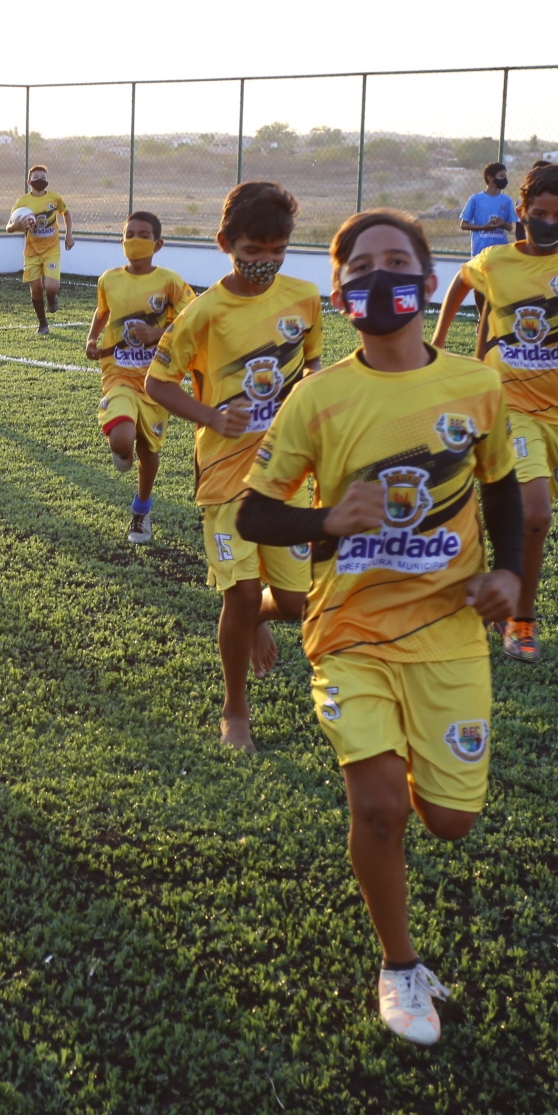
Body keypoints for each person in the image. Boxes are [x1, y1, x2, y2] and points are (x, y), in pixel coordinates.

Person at [236, 208, 524, 1047]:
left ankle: (402, 776)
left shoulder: (477, 385)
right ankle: (399, 967)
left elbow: (503, 488)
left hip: (449, 632)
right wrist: (327, 520)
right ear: (341, 292)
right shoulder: (316, 398)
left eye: (398, 262)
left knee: (450, 821)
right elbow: (258, 512)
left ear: (428, 284)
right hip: (348, 630)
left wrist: (510, 574)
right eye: (363, 266)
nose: (381, 276)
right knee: (377, 809)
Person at [431, 163, 558, 663]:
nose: (548, 221)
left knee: (533, 522)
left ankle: (507, 603)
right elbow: (460, 284)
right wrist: (435, 346)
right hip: (507, 405)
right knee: (536, 511)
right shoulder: (494, 260)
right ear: (520, 212)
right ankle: (521, 621)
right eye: (538, 213)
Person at [147, 183, 320, 750]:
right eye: (255, 249)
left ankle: (259, 621)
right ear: (226, 243)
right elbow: (157, 382)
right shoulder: (204, 313)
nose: (266, 261)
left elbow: (311, 372)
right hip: (224, 476)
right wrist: (210, 417)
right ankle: (235, 711)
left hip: (288, 473)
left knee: (294, 605)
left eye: (279, 250)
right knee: (240, 596)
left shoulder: (305, 300)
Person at [84, 211, 195, 544]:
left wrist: (156, 332)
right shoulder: (109, 279)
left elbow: (192, 321)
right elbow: (102, 312)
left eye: (143, 234)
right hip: (118, 374)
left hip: (158, 380)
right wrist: (92, 338)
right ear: (121, 241)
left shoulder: (171, 282)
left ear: (158, 244)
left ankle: (141, 511)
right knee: (121, 438)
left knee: (149, 450)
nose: (135, 239)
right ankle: (122, 450)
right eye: (129, 233)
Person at [11, 164, 72, 335]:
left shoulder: (55, 198)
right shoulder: (22, 202)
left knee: (51, 287)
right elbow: (9, 227)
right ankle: (42, 323)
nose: (40, 181)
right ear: (29, 181)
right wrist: (17, 225)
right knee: (36, 289)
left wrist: (69, 235)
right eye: (36, 178)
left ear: (47, 180)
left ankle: (52, 298)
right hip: (31, 252)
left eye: (43, 178)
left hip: (52, 250)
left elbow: (66, 214)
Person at [457, 162, 515, 257]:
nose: (504, 179)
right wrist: (484, 227)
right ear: (490, 178)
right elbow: (464, 225)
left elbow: (510, 227)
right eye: (501, 176)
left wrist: (502, 223)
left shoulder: (507, 200)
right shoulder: (475, 199)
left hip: (500, 252)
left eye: (505, 176)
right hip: (480, 252)